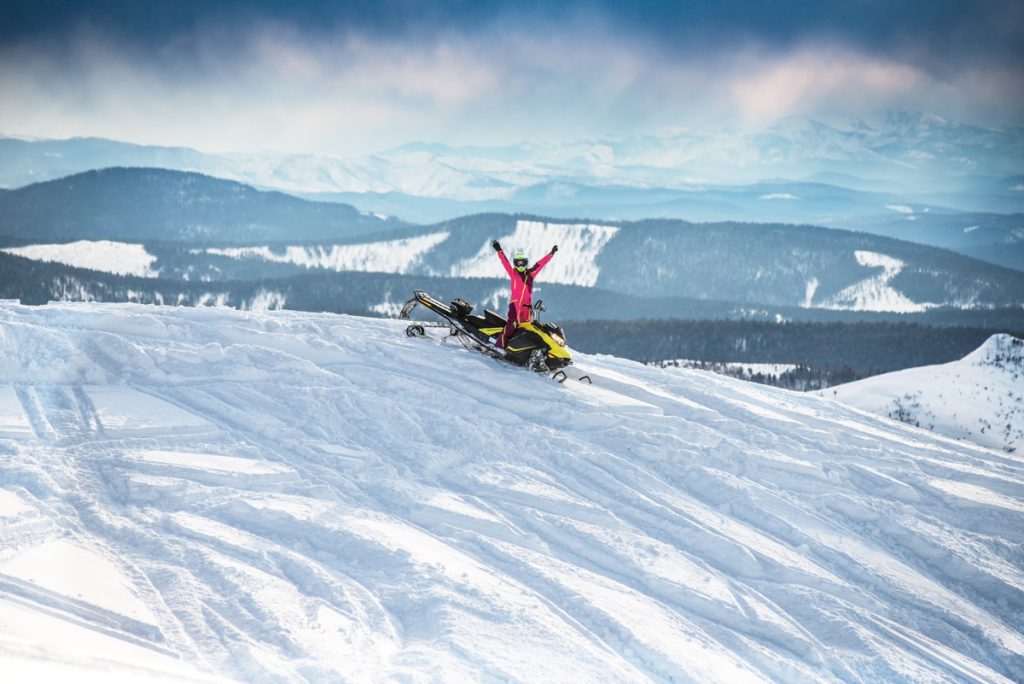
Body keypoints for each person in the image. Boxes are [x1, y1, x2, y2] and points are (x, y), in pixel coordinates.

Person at [490, 240, 558, 348]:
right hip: (515, 305)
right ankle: (499, 347)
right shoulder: (513, 273)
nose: (520, 265)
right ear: (515, 263)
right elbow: (505, 263)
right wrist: (499, 251)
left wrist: (551, 254)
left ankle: (521, 350)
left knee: (526, 329)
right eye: (518, 263)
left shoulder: (531, 274)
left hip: (527, 307)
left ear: (526, 263)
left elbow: (540, 264)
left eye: (522, 263)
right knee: (511, 326)